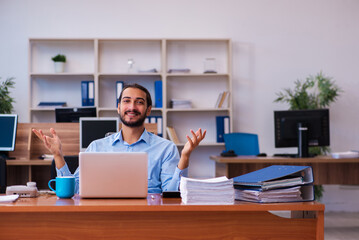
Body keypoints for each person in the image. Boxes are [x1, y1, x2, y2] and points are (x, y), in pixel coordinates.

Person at [33, 83, 206, 194]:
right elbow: (76, 190)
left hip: (148, 217)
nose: (132, 107)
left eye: (139, 102)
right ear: (118, 108)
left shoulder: (166, 148)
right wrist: (58, 155)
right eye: (126, 101)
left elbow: (170, 193)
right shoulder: (96, 147)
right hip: (104, 216)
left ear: (148, 110)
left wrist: (185, 157)